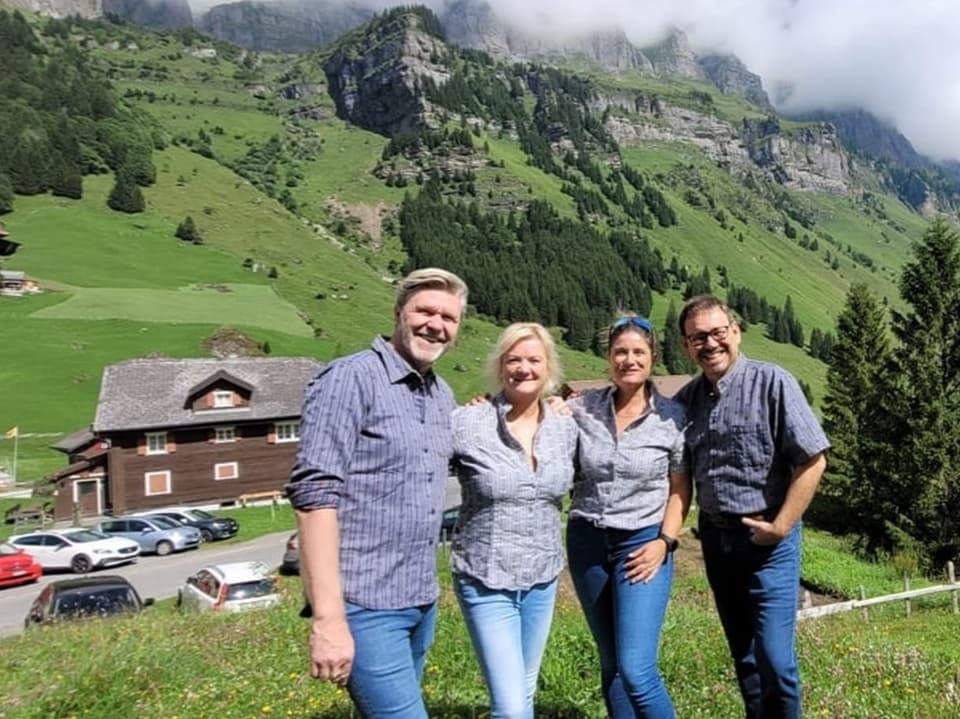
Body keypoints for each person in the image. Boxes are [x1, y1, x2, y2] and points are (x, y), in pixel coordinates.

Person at [285, 268, 468, 719]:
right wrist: (328, 619)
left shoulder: (441, 394)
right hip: (365, 603)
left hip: (421, 598)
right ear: (398, 312)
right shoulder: (350, 379)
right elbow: (313, 497)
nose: (436, 324)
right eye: (425, 310)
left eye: (449, 317)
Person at [675, 295, 829, 719]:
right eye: (698, 337)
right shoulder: (688, 400)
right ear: (687, 346)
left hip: (769, 546)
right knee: (744, 656)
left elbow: (813, 460)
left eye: (718, 333)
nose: (710, 344)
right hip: (716, 541)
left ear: (736, 332)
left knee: (776, 661)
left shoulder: (773, 382)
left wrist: (780, 527)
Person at [566, 315, 691, 719]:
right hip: (587, 540)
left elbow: (679, 490)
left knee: (637, 669)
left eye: (639, 352)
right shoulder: (582, 408)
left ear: (653, 357)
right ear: (608, 357)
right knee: (611, 663)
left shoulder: (673, 417)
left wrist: (664, 542)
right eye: (621, 352)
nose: (629, 359)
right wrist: (489, 404)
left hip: (642, 543)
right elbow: (531, 416)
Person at [450, 323, 578, 719]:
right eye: (514, 360)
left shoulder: (565, 426)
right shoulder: (466, 423)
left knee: (523, 687)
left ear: (549, 367)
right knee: (510, 706)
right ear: (500, 366)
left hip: (542, 576)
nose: (524, 368)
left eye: (534, 360)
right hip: (486, 577)